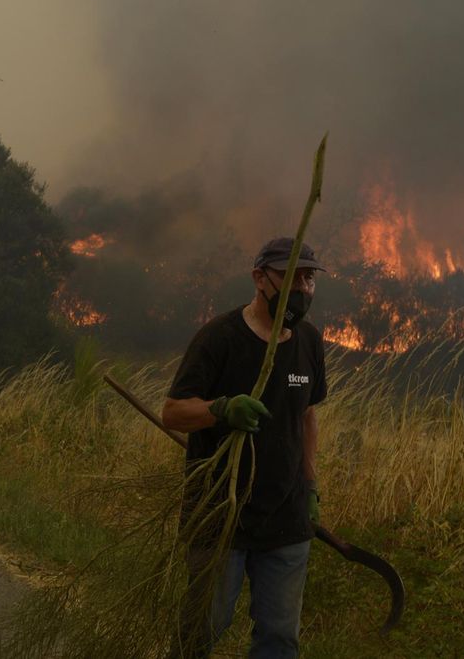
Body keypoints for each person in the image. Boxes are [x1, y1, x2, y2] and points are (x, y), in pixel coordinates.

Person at [162, 236, 327, 659]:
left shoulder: (309, 341)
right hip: (221, 513)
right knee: (203, 628)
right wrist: (221, 409)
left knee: (279, 638)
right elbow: (174, 412)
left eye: (310, 279)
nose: (304, 289)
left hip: (286, 519)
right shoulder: (220, 337)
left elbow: (307, 415)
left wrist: (310, 485)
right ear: (260, 278)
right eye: (293, 277)